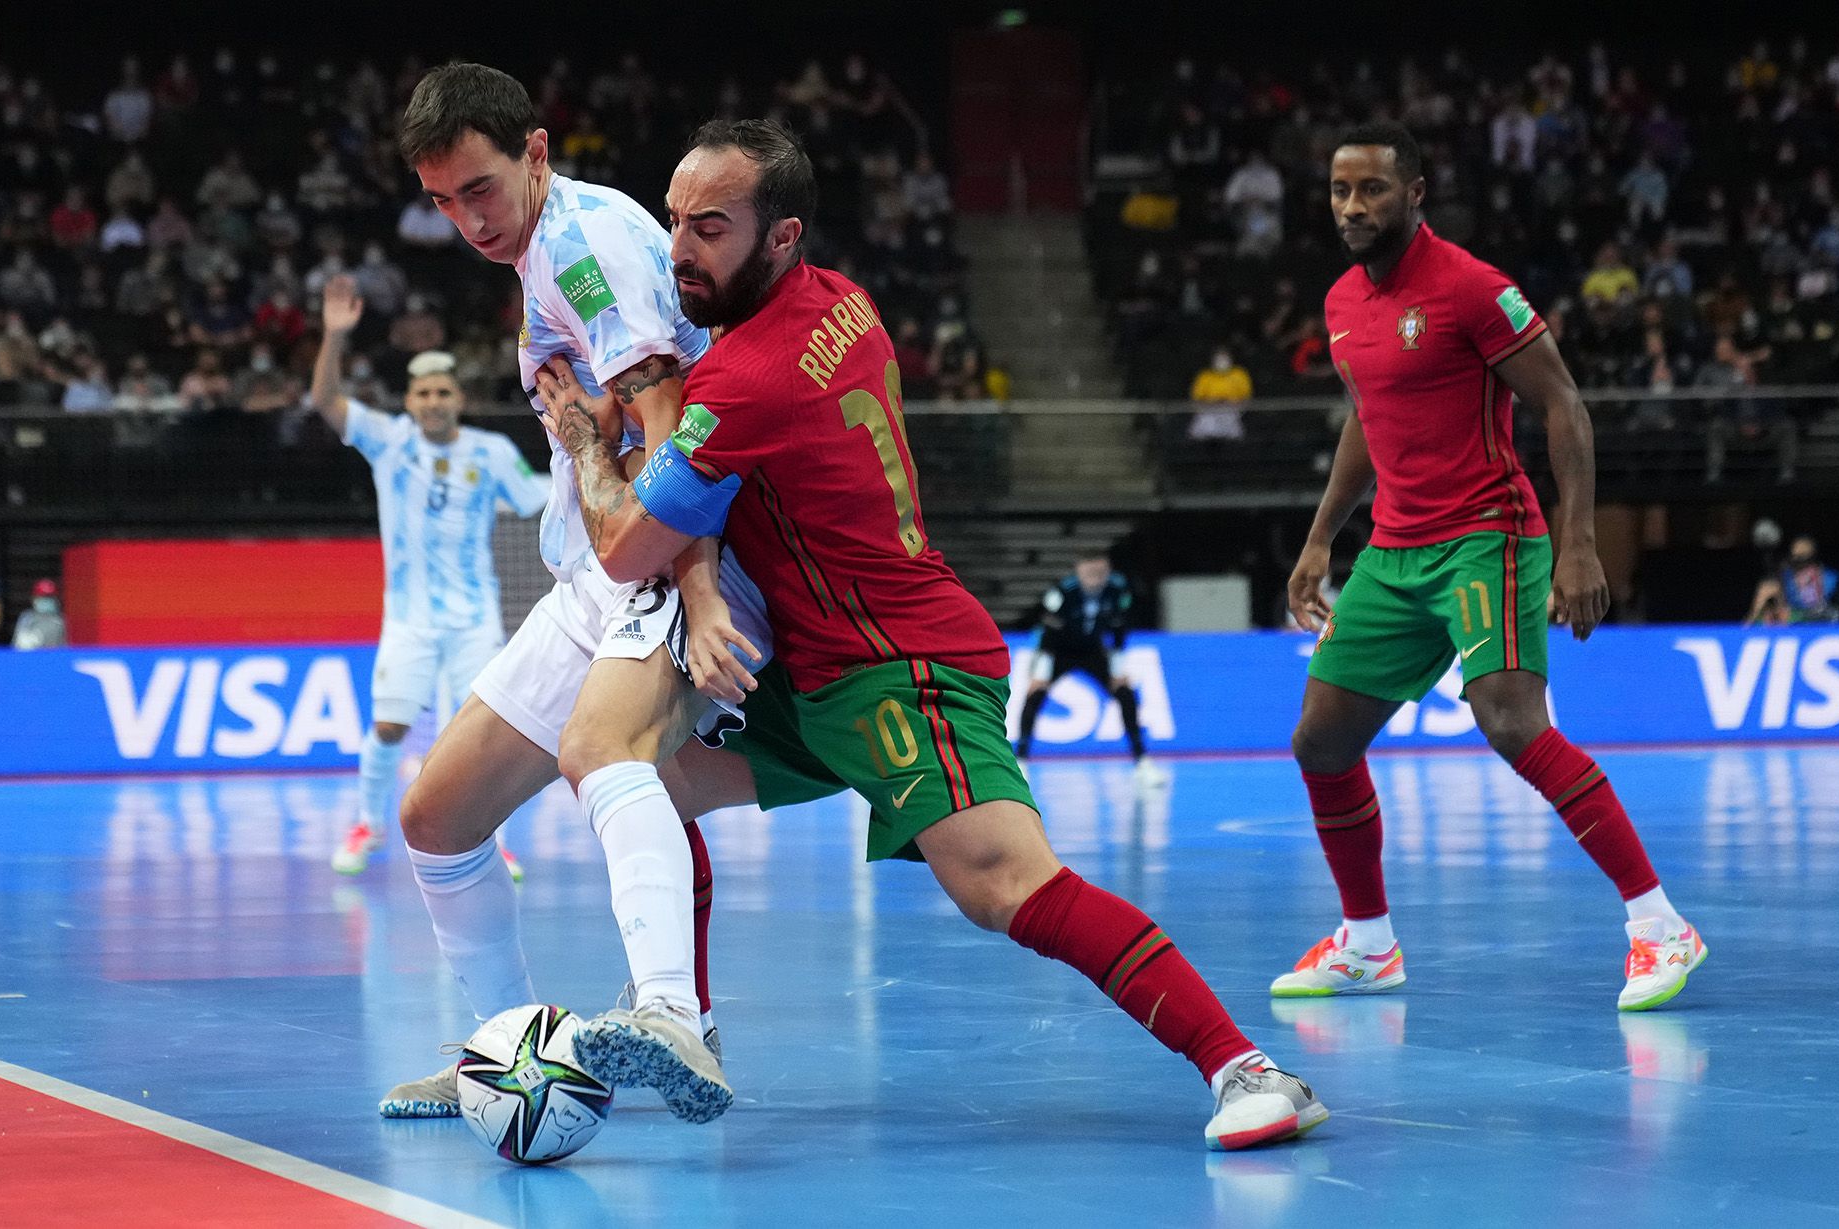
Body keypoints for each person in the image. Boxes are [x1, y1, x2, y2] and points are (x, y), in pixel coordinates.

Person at [541, 118, 1326, 1151]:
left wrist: (586, 448)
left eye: (710, 229)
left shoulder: (747, 378)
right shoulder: (842, 302)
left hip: (899, 668)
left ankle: (1250, 1066)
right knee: (640, 774)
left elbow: (630, 546)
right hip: (812, 673)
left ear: (780, 235)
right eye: (676, 222)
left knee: (1004, 882)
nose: (679, 249)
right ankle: (684, 1023)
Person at [382, 63, 777, 1126]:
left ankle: (673, 1017)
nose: (468, 220)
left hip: (671, 551)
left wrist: (696, 589)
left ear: (537, 153)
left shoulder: (584, 248)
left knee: (603, 752)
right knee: (435, 814)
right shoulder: (546, 247)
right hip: (598, 568)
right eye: (443, 202)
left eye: (480, 189)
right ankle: (505, 1053)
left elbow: (673, 426)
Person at [1278, 122, 1705, 1013]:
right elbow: (1369, 416)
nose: (1353, 207)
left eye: (1372, 190)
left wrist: (1577, 538)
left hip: (1488, 534)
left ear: (1416, 192)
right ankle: (1367, 943)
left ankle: (1659, 924)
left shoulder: (1473, 288)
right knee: (1320, 741)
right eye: (1339, 192)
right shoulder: (1342, 304)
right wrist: (1323, 536)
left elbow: (1564, 405)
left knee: (1511, 722)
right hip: (1394, 550)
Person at [307, 274, 547, 886]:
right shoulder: (389, 444)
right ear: (410, 401)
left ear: (457, 398)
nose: (434, 401)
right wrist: (335, 338)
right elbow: (326, 404)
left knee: (477, 736)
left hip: (474, 619)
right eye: (424, 394)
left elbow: (538, 496)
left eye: (444, 392)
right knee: (389, 725)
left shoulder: (492, 452)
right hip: (409, 619)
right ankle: (367, 824)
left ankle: (487, 838)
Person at [1013, 550, 1166, 787]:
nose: (1096, 577)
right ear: (1079, 570)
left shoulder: (1117, 590)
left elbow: (1118, 628)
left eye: (1101, 572)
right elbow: (1048, 631)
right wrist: (1040, 673)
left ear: (1108, 571)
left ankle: (1142, 762)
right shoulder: (1063, 592)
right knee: (1035, 696)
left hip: (1093, 651)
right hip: (1059, 651)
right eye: (1090, 572)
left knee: (1126, 694)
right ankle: (1020, 761)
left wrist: (1117, 669)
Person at [1745, 536, 1839, 625]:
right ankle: (1743, 632)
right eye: (1793, 555)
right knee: (1767, 589)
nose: (1795, 561)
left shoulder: (1829, 576)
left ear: (1812, 556)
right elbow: (1782, 600)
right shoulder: (1786, 574)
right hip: (1792, 614)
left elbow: (1819, 605)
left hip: (1817, 616)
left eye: (1801, 556)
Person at [11, 578, 66, 649]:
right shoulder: (27, 617)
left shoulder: (60, 620)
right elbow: (17, 645)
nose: (46, 600)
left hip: (52, 657)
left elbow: (64, 648)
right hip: (30, 657)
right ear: (34, 598)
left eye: (49, 597)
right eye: (42, 597)